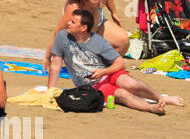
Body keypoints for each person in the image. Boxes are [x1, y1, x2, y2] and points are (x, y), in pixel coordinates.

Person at [48, 8, 181, 113]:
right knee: (122, 94)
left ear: (83, 28)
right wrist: (50, 90)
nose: (68, 23)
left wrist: (103, 71)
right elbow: (56, 64)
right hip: (92, 86)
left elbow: (121, 63)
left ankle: (161, 98)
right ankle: (151, 108)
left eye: (73, 22)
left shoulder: (97, 41)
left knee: (129, 83)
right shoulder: (62, 37)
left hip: (109, 73)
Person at [48, 0, 129, 57]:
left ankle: (104, 68)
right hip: (77, 39)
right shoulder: (73, 10)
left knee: (123, 41)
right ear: (85, 1)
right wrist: (47, 57)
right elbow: (57, 34)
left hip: (98, 28)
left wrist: (114, 13)